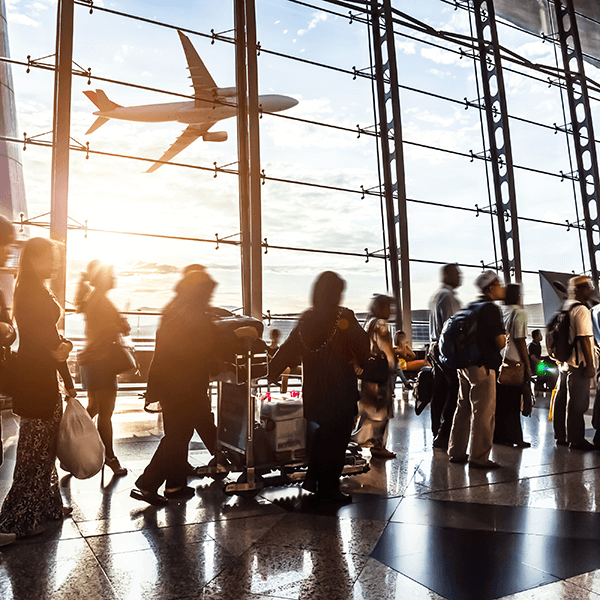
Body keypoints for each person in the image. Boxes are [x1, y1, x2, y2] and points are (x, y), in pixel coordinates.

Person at [131, 267, 258, 505]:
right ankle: (147, 484)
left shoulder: (177, 306)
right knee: (178, 436)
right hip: (183, 384)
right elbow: (203, 342)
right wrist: (237, 334)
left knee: (182, 432)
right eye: (207, 294)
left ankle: (175, 484)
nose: (209, 298)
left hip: (174, 383)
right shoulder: (190, 311)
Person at [269, 271, 370, 505]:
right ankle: (329, 489)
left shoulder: (306, 320)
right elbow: (363, 346)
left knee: (320, 437)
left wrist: (271, 372)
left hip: (315, 393)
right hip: (340, 393)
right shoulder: (343, 317)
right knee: (336, 442)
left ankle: (313, 480)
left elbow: (286, 350)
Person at [0, 237, 76, 542]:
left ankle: (46, 506)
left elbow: (51, 338)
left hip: (40, 377)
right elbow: (47, 340)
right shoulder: (32, 292)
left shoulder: (33, 289)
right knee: (35, 451)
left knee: (43, 448)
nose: (55, 262)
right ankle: (18, 518)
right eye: (50, 257)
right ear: (34, 260)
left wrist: (63, 354)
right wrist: (61, 350)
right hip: (36, 380)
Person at [75, 261, 130, 476]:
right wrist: (119, 324)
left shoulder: (92, 299)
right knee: (105, 412)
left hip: (92, 363)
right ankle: (110, 457)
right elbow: (121, 328)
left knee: (95, 407)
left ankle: (70, 447)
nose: (114, 277)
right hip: (103, 364)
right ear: (102, 278)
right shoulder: (103, 302)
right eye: (111, 273)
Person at [447, 270, 505, 469]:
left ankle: (456, 451)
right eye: (499, 284)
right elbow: (500, 341)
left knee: (462, 407)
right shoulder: (491, 309)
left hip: (464, 365)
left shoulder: (471, 306)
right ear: (491, 288)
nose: (502, 288)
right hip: (483, 365)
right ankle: (479, 457)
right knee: (483, 411)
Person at [552, 275, 596, 451]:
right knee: (577, 403)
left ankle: (561, 435)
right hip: (578, 364)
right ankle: (576, 440)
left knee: (562, 400)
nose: (591, 290)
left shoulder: (565, 307)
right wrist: (591, 365)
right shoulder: (581, 310)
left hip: (564, 363)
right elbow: (584, 338)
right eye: (588, 287)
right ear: (578, 290)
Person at [352, 295, 397, 459]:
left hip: (368, 376)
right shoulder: (381, 325)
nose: (390, 311)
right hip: (379, 377)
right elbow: (387, 351)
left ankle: (359, 442)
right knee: (381, 412)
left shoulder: (369, 322)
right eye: (387, 307)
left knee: (368, 413)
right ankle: (378, 446)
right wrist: (394, 365)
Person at [428, 263, 462, 450]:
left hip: (434, 346)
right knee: (454, 390)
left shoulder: (436, 296)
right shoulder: (448, 298)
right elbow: (452, 329)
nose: (460, 277)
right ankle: (445, 433)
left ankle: (436, 430)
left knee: (439, 391)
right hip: (446, 348)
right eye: (457, 273)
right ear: (447, 275)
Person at [494, 283, 531, 447]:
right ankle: (516, 437)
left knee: (502, 401)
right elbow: (520, 340)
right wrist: (527, 364)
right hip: (515, 361)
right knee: (514, 402)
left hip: (501, 360)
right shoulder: (520, 313)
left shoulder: (502, 312)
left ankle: (500, 436)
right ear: (518, 296)